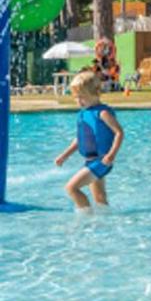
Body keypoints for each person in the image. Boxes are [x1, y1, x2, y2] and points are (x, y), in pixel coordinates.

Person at [54, 71, 124, 211]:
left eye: (82, 97)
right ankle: (105, 220)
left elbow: (119, 133)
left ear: (96, 93)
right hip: (90, 160)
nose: (79, 101)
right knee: (100, 198)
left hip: (102, 160)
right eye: (76, 97)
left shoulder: (102, 113)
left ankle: (86, 216)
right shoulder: (83, 114)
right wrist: (65, 155)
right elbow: (79, 139)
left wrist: (111, 155)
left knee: (71, 188)